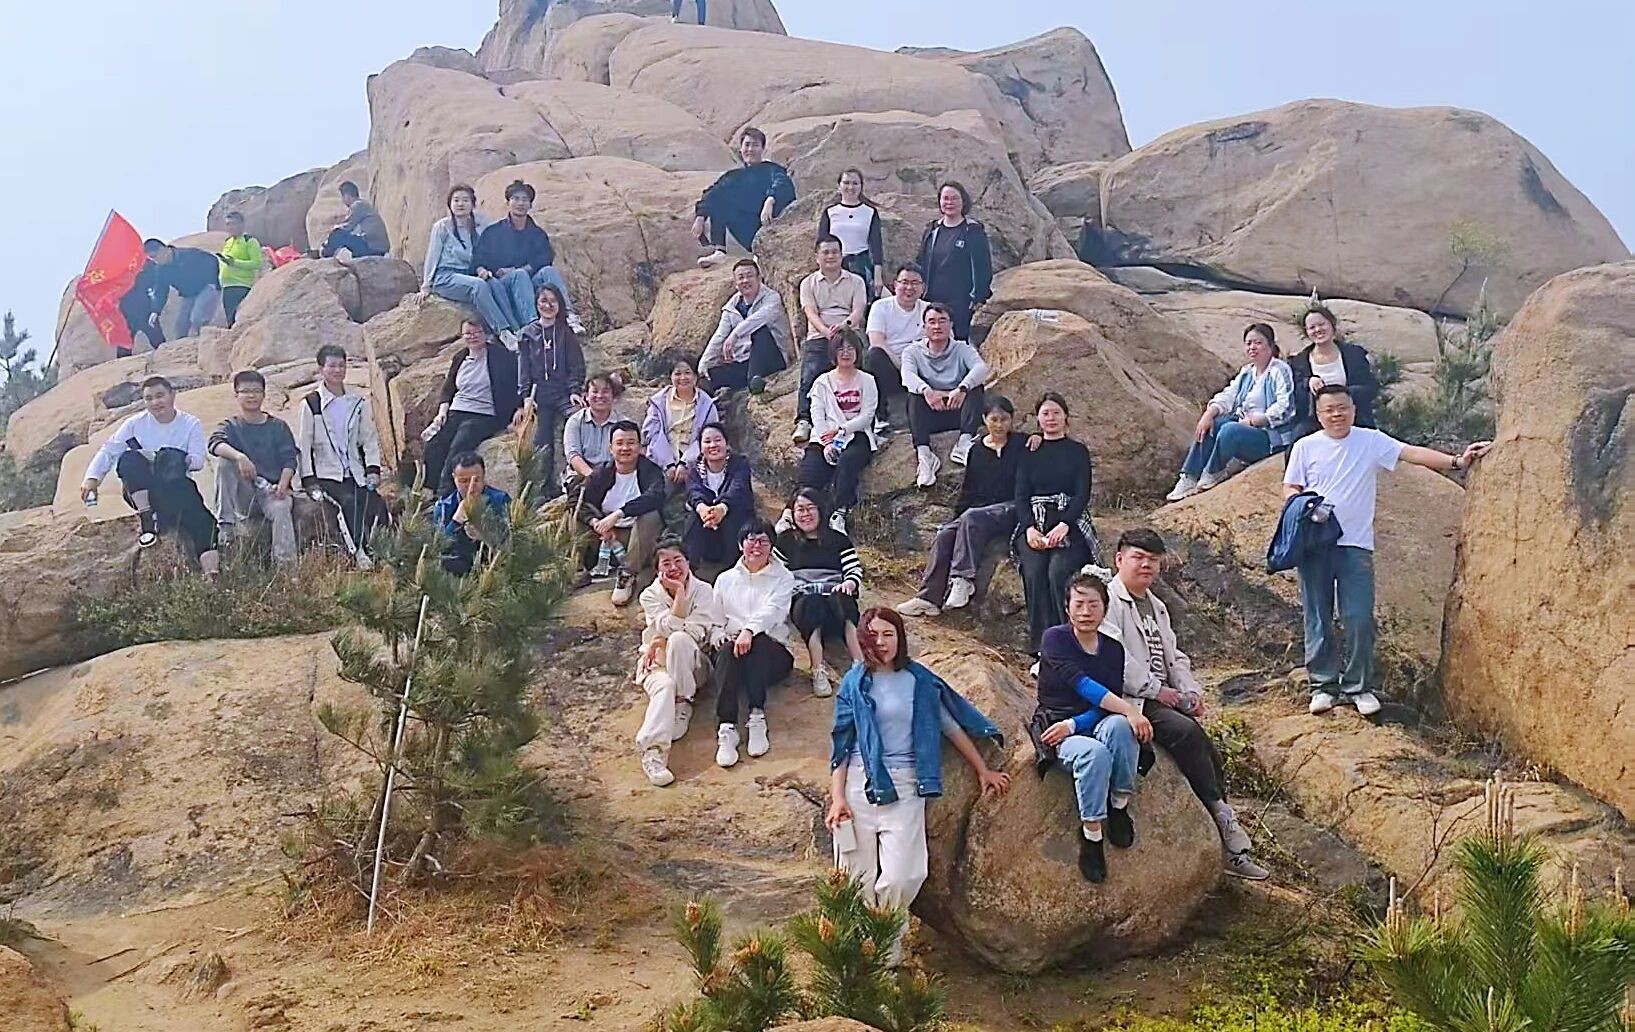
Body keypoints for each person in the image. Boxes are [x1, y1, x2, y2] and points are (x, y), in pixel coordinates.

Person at [1284, 386, 1491, 717]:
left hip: (1355, 544)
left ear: (1353, 409)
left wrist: (1456, 461)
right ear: (1319, 415)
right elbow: (1291, 485)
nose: (1337, 414)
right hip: (1315, 543)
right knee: (1318, 616)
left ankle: (1358, 686)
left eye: (1342, 408)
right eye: (1329, 410)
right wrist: (1301, 505)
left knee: (1359, 617)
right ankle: (1322, 686)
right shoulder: (1305, 446)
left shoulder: (1370, 441)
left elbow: (1411, 453)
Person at [827, 607, 1010, 964]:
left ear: (900, 637)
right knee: (854, 878)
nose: (882, 642)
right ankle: (861, 962)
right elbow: (842, 743)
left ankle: (885, 950)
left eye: (889, 634)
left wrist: (982, 770)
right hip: (859, 785)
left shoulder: (919, 680)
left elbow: (950, 726)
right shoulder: (854, 682)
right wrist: (837, 798)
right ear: (862, 638)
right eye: (873, 635)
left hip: (906, 785)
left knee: (905, 875)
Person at [1102, 529, 1269, 880]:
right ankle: (1224, 822)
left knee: (1210, 751)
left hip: (1162, 695)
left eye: (1153, 560)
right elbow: (1114, 658)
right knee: (1186, 733)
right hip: (1131, 698)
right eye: (1138, 557)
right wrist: (1157, 691)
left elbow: (1174, 657)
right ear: (1119, 560)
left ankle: (1228, 836)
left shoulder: (1156, 605)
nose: (1146, 565)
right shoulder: (1108, 601)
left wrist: (1190, 691)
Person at [1034, 574, 1154, 883]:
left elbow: (1106, 701)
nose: (1085, 612)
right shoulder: (1055, 639)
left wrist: (1085, 721)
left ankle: (1118, 805)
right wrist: (1129, 709)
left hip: (1092, 719)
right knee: (1095, 753)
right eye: (1079, 604)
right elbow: (1084, 685)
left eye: (1093, 605)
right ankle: (1092, 835)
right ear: (1067, 608)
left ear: (1105, 609)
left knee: (1121, 727)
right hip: (1057, 721)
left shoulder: (1113, 649)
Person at [79, 376, 219, 576]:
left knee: (204, 524)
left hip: (177, 489)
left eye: (160, 396)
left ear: (172, 395)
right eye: (149, 398)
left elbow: (198, 461)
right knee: (129, 459)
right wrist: (92, 479)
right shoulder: (134, 424)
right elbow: (109, 451)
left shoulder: (190, 423)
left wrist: (173, 458)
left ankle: (212, 574)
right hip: (143, 492)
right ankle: (147, 517)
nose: (155, 402)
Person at [897, 395, 1021, 617]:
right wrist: (955, 519)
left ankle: (962, 579)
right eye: (994, 419)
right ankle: (928, 598)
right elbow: (968, 489)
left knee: (972, 517)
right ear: (984, 420)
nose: (999, 425)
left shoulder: (1022, 445)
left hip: (1012, 508)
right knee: (946, 534)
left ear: (1012, 420)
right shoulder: (976, 450)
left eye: (1004, 419)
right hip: (981, 513)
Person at [1167, 322, 1298, 501]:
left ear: (1270, 345)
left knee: (1230, 429)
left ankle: (1214, 471)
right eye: (1249, 343)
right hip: (1245, 426)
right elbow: (1228, 395)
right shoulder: (1247, 372)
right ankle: (1189, 476)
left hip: (1269, 437)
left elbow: (1285, 407)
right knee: (1213, 425)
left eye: (1258, 342)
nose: (1252, 347)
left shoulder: (1279, 369)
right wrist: (1209, 413)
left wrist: (1254, 421)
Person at [635, 538, 722, 786]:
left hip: (693, 665)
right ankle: (652, 754)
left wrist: (661, 638)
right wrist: (679, 597)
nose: (673, 567)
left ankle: (683, 701)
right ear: (657, 569)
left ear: (688, 562)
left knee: (680, 640)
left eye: (678, 560)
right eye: (666, 563)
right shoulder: (649, 595)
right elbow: (663, 625)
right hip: (656, 662)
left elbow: (698, 631)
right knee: (664, 686)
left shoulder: (704, 590)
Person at [1015, 393, 1096, 653]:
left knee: (1058, 571)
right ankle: (1042, 643)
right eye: (1045, 413)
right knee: (1034, 571)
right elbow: (1020, 495)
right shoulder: (1028, 452)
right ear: (1038, 418)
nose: (1051, 418)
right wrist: (1029, 528)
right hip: (1036, 519)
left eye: (1056, 413)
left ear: (1066, 416)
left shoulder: (1077, 451)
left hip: (1068, 518)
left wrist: (1065, 524)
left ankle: (1068, 638)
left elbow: (1083, 492)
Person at [711, 519, 796, 767]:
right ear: (741, 545)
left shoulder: (783, 578)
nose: (756, 546)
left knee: (758, 642)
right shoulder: (725, 579)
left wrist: (749, 630)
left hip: (771, 653)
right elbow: (715, 619)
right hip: (733, 653)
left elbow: (774, 611)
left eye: (763, 541)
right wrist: (720, 636)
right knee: (727, 649)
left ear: (771, 547)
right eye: (751, 540)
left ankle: (757, 715)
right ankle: (727, 727)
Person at [295, 344, 387, 569]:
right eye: (332, 366)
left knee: (376, 503)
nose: (337, 370)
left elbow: (368, 438)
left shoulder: (356, 401)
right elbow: (304, 444)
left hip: (354, 471)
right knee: (348, 503)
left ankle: (385, 551)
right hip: (327, 474)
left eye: (341, 366)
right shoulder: (311, 403)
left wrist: (373, 469)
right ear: (321, 369)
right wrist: (309, 480)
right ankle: (359, 552)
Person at [775, 487, 865, 699]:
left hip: (835, 603)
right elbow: (776, 574)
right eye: (800, 509)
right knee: (811, 602)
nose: (805, 514)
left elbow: (853, 569)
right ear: (793, 514)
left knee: (842, 600)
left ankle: (860, 664)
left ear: (820, 510)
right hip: (805, 605)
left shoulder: (838, 539)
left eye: (810, 508)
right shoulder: (785, 541)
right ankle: (818, 669)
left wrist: (849, 583)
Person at [474, 179, 582, 347]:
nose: (520, 203)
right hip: (504, 284)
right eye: (516, 199)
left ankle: (569, 315)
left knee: (548, 271)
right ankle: (532, 325)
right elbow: (478, 260)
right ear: (508, 203)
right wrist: (485, 271)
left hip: (530, 282)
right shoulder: (493, 232)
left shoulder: (537, 233)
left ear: (530, 205)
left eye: (525, 199)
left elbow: (545, 257)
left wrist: (523, 268)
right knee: (519, 275)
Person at [422, 318, 520, 496]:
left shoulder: (501, 357)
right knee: (435, 444)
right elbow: (449, 388)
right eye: (468, 333)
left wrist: (518, 408)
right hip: (457, 410)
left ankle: (445, 492)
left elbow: (514, 385)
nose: (472, 337)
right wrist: (442, 412)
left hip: (484, 413)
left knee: (460, 444)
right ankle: (429, 489)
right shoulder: (460, 357)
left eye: (477, 332)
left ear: (485, 333)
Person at [209, 369, 297, 564]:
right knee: (225, 462)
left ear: (264, 395)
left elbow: (289, 459)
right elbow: (215, 443)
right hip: (245, 494)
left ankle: (286, 567)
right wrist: (240, 457)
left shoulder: (278, 426)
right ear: (236, 395)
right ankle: (226, 528)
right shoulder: (231, 425)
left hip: (272, 491)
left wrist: (283, 485)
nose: (251, 396)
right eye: (246, 391)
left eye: (256, 391)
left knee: (281, 508)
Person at [794, 329, 877, 534]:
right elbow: (817, 414)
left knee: (848, 462)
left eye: (850, 348)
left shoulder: (867, 380)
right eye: (840, 349)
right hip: (825, 437)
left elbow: (867, 416)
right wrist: (827, 442)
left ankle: (839, 512)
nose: (845, 353)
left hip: (856, 434)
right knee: (811, 469)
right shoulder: (822, 382)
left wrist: (841, 430)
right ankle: (792, 513)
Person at [577, 420, 665, 605]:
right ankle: (576, 569)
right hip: (605, 536)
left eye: (631, 443)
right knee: (574, 518)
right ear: (611, 448)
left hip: (636, 537)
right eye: (620, 443)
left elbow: (655, 497)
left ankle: (627, 574)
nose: (625, 448)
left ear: (640, 447)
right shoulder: (601, 473)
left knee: (651, 516)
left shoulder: (650, 471)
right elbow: (579, 501)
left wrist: (619, 513)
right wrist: (596, 522)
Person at [902, 303, 990, 487]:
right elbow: (907, 376)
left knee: (975, 388)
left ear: (951, 325)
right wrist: (927, 391)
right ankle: (925, 456)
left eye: (942, 321)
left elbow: (981, 368)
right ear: (924, 326)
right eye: (932, 322)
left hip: (958, 410)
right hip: (930, 412)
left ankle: (964, 443)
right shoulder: (912, 351)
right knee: (913, 396)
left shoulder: (962, 348)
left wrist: (962, 388)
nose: (937, 326)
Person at [423, 184, 524, 343]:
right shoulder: (442, 227)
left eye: (465, 200)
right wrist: (426, 285)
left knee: (494, 283)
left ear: (472, 204)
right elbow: (432, 256)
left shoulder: (479, 224)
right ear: (450, 204)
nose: (460, 204)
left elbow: (491, 245)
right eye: (456, 200)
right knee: (478, 286)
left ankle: (517, 330)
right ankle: (503, 332)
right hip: (445, 277)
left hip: (469, 274)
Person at [792, 236, 868, 444]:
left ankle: (871, 416)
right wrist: (826, 331)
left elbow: (858, 310)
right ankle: (804, 420)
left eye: (835, 252)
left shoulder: (856, 281)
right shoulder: (808, 283)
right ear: (817, 257)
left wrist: (843, 326)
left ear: (842, 255)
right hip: (820, 334)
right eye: (825, 252)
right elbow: (810, 312)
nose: (830, 256)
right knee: (810, 372)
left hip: (849, 332)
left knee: (864, 369)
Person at [516, 284, 586, 497]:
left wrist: (575, 390)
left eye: (553, 301)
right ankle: (542, 490)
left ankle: (577, 477)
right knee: (541, 440)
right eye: (543, 301)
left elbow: (576, 365)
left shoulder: (566, 332)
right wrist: (526, 397)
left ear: (559, 304)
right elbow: (523, 368)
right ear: (536, 304)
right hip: (539, 394)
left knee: (578, 420)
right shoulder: (527, 333)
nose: (548, 305)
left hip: (563, 392)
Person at [693, 128, 796, 266]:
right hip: (744, 229)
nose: (750, 149)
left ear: (763, 149)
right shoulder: (733, 176)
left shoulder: (772, 169)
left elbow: (782, 183)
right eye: (747, 145)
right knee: (718, 199)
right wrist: (700, 216)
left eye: (755, 145)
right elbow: (711, 193)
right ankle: (720, 251)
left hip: (769, 224)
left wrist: (770, 200)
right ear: (741, 149)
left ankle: (762, 252)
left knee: (780, 195)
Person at [1287, 303, 1380, 440]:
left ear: (1332, 325)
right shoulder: (1299, 362)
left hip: (1354, 418)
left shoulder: (1354, 354)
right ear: (1306, 332)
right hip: (1316, 422)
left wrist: (1345, 394)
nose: (1318, 330)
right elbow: (1296, 399)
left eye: (1322, 324)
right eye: (1312, 327)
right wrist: (1308, 383)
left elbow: (1371, 387)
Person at [699, 259, 791, 394]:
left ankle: (754, 382)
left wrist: (735, 335)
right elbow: (719, 336)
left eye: (749, 276)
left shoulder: (772, 298)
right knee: (710, 375)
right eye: (741, 277)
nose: (745, 281)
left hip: (771, 358)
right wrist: (703, 364)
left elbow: (760, 318)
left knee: (759, 330)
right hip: (744, 362)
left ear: (759, 278)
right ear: (736, 283)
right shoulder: (731, 306)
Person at [915, 181, 992, 342]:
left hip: (961, 302)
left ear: (963, 201)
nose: (949, 202)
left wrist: (978, 297)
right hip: (932, 298)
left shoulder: (972, 231)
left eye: (954, 198)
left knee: (958, 343)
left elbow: (983, 267)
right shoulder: (932, 230)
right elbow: (921, 262)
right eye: (946, 198)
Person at [864, 263, 929, 434]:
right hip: (892, 365)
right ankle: (880, 417)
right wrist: (902, 366)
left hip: (920, 367)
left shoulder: (928, 309)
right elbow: (876, 340)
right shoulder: (881, 307)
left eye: (915, 283)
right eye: (904, 282)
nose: (909, 288)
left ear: (923, 287)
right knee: (874, 356)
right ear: (895, 285)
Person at [642, 359, 721, 491]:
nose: (683, 378)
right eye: (678, 374)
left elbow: (707, 437)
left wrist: (685, 463)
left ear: (695, 377)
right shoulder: (659, 402)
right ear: (671, 377)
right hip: (661, 460)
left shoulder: (707, 404)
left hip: (696, 460)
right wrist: (668, 464)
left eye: (687, 373)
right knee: (658, 490)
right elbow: (652, 434)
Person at [684, 423, 753, 571]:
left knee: (732, 517)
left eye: (717, 440)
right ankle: (691, 569)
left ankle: (736, 569)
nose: (713, 445)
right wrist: (703, 510)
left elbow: (738, 489)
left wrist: (722, 508)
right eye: (707, 441)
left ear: (726, 443)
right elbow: (693, 491)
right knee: (694, 519)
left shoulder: (740, 464)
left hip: (734, 519)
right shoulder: (693, 468)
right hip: (707, 521)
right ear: (700, 447)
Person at [432, 451, 510, 575]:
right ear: (454, 479)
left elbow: (511, 538)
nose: (471, 487)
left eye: (476, 480)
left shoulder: (500, 500)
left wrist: (485, 532)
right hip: (459, 566)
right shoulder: (444, 506)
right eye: (464, 481)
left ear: (484, 477)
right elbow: (438, 547)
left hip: (493, 562)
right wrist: (456, 521)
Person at [817, 169, 886, 300]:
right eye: (846, 183)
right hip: (835, 265)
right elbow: (821, 243)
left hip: (861, 265)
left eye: (855, 183)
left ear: (861, 186)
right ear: (839, 186)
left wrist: (877, 275)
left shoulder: (870, 212)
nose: (850, 187)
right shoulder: (830, 212)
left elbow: (876, 245)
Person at [144, 238, 221, 339]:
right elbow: (160, 290)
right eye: (151, 258)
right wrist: (155, 311)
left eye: (154, 256)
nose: (155, 260)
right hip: (188, 294)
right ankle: (183, 347)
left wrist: (212, 281)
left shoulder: (189, 255)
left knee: (197, 318)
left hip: (206, 287)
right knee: (180, 327)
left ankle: (204, 341)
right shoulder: (160, 269)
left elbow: (212, 260)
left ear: (163, 249)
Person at [217, 211, 264, 329]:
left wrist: (234, 263)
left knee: (238, 320)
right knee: (230, 320)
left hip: (241, 285)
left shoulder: (249, 241)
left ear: (242, 224)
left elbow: (257, 263)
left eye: (233, 224)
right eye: (228, 224)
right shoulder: (228, 242)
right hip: (227, 286)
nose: (230, 227)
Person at [321, 180, 390, 258]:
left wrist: (333, 230)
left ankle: (324, 255)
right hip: (377, 247)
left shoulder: (357, 205)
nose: (343, 200)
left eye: (343, 197)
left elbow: (347, 227)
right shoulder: (363, 204)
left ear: (347, 195)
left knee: (337, 235)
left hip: (372, 247)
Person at [118, 257, 169, 355]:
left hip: (145, 308)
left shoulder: (148, 264)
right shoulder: (118, 267)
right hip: (126, 311)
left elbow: (157, 286)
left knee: (158, 342)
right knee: (124, 347)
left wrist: (155, 309)